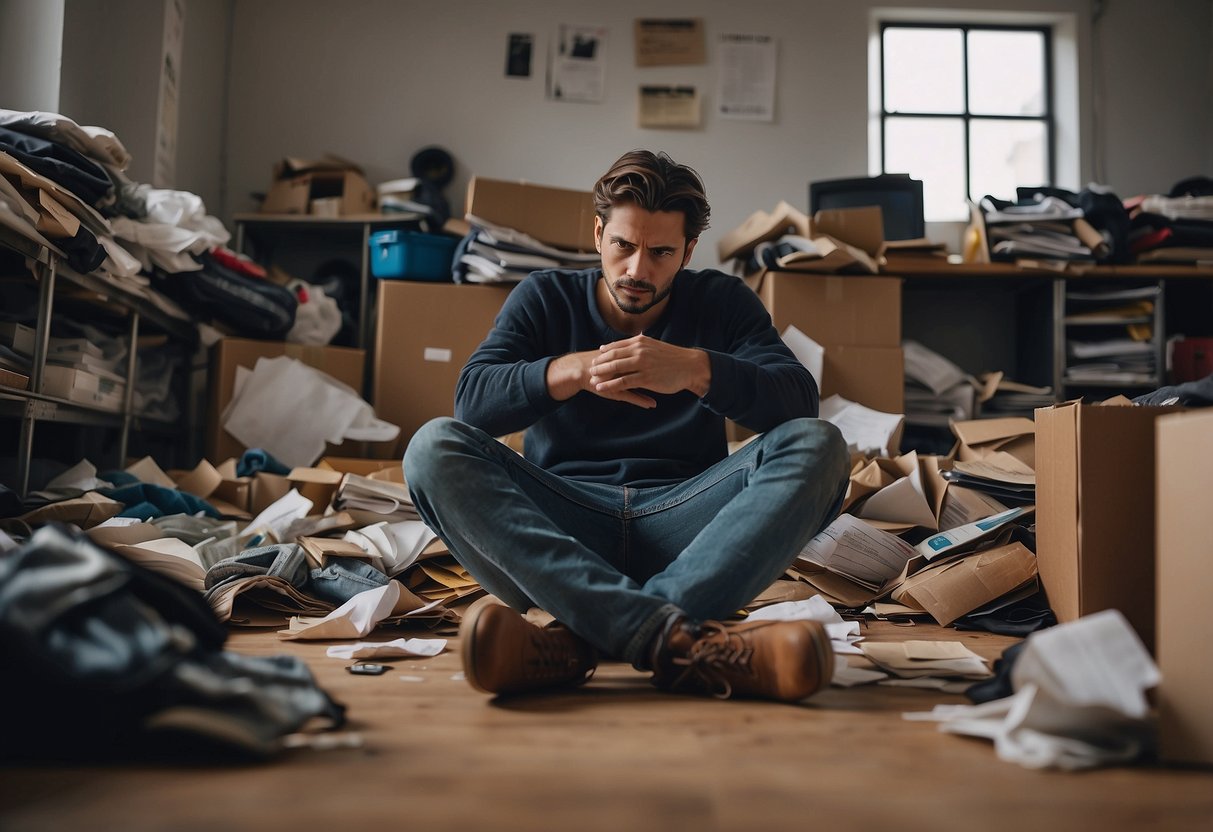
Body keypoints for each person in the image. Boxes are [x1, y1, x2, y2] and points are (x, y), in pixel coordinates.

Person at [404, 149, 849, 703]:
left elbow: (798, 404)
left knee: (820, 444)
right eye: (624, 245)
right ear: (597, 235)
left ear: (688, 251)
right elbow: (471, 405)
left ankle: (577, 641)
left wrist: (693, 368)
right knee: (431, 448)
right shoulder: (543, 297)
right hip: (563, 529)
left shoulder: (723, 301)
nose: (638, 270)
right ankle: (673, 638)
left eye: (661, 252)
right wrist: (573, 369)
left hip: (687, 528)